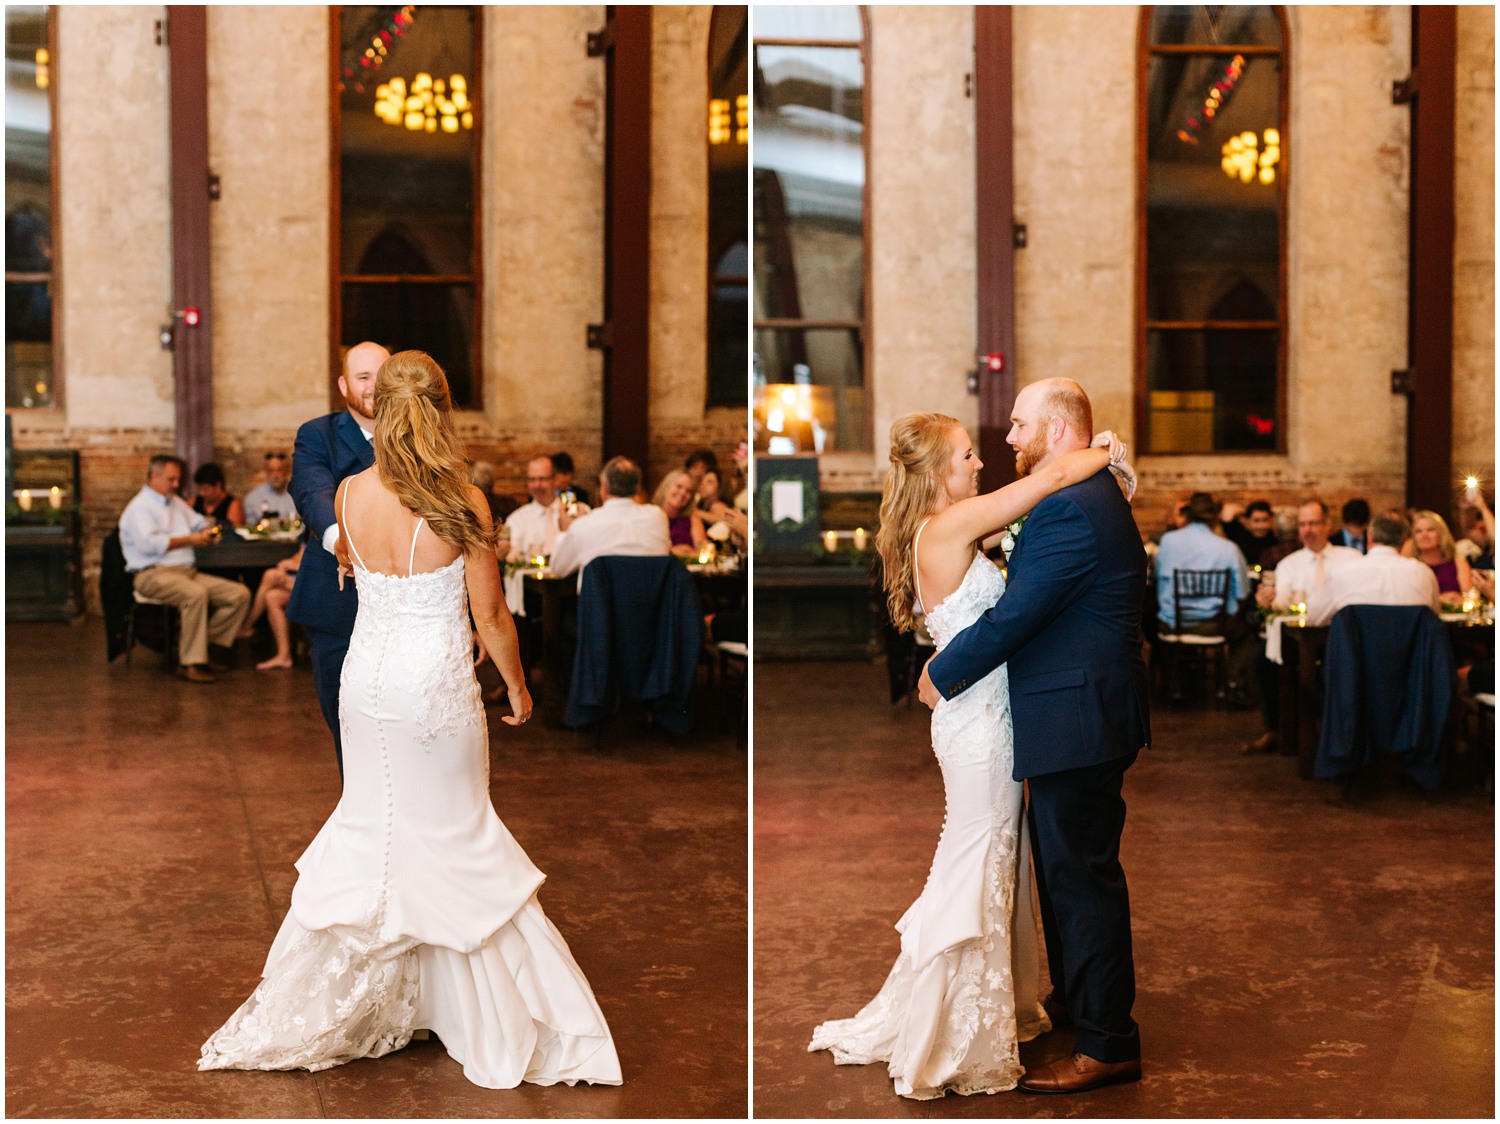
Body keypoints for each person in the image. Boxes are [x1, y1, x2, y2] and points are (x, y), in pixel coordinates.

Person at [199, 350, 620, 1088]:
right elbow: (489, 613)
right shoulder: (463, 499)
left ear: (383, 411)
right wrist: (519, 689)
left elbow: (363, 575)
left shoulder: (353, 493)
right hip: (433, 686)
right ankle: (477, 1010)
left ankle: (383, 997)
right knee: (456, 833)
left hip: (366, 683)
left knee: (374, 826)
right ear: (442, 407)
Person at [808, 407, 1130, 1100]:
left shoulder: (949, 526)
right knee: (980, 853)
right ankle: (951, 1021)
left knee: (994, 858)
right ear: (934, 473)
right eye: (965, 456)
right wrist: (1105, 449)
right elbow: (1059, 474)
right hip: (979, 726)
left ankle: (993, 1004)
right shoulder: (952, 524)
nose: (981, 461)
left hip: (990, 714)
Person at [913, 378, 1149, 1095]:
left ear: (1053, 432)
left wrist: (942, 671)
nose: (1006, 440)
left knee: (1082, 879)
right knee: (1063, 872)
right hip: (1075, 712)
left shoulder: (1070, 510)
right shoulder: (1075, 495)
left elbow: (1020, 614)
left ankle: (1109, 1043)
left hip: (1076, 717)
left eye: (1018, 426)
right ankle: (1083, 1001)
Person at [286, 340, 390, 779]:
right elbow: (313, 493)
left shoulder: (421, 437)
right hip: (339, 601)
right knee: (347, 719)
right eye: (363, 377)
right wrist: (340, 543)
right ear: (345, 384)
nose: (372, 387)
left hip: (408, 609)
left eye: (381, 376)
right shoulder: (319, 433)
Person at [119, 455, 251, 684]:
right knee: (195, 594)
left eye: (178, 479)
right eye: (171, 479)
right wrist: (191, 539)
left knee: (239, 595)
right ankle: (189, 663)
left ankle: (200, 648)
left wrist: (207, 531)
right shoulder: (140, 508)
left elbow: (199, 521)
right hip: (153, 573)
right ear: (154, 476)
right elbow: (151, 545)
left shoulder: (175, 502)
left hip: (186, 572)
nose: (176, 485)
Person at [1154, 492, 1255, 704]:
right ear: (1214, 518)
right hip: (1213, 625)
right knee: (1249, 631)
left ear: (1188, 515)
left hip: (1172, 624)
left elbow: (1156, 578)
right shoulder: (1228, 548)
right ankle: (1232, 682)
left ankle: (1174, 683)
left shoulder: (1167, 542)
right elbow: (1242, 592)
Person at [550, 456, 671, 587]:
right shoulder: (657, 517)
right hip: (652, 605)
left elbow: (559, 569)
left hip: (600, 606)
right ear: (637, 488)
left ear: (604, 488)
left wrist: (565, 529)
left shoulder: (583, 525)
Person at [1304, 511, 1441, 626]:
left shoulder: (1343, 572)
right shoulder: (1423, 573)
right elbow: (1434, 618)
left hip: (1355, 657)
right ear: (1405, 540)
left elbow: (1314, 618)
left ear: (1369, 536)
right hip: (1414, 657)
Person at [238, 545, 303, 670]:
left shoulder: (328, 529)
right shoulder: (312, 532)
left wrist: (292, 566)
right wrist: (285, 565)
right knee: (271, 597)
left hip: (320, 585)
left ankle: (248, 625)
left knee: (270, 575)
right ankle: (284, 656)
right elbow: (301, 554)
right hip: (303, 578)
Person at [1406, 509, 1472, 603]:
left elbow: (1470, 598)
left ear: (1441, 534)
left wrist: (1459, 599)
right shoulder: (1410, 565)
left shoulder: (1458, 562)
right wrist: (1440, 599)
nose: (1424, 535)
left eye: (1430, 530)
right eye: (1418, 531)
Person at [654, 469, 707, 557]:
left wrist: (691, 553)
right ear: (666, 487)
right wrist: (671, 551)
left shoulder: (692, 518)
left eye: (688, 491)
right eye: (679, 486)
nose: (683, 493)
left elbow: (703, 551)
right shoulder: (651, 515)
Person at [694, 467, 749, 546]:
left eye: (710, 482)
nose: (703, 484)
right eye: (702, 480)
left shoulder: (717, 505)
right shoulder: (702, 505)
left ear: (720, 487)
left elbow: (722, 518)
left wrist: (695, 512)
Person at [243, 452, 299, 526]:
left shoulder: (299, 495)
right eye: (271, 470)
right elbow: (249, 529)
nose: (275, 475)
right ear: (265, 471)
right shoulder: (252, 499)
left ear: (287, 470)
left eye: (279, 470)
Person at [191, 463, 245, 530]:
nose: (201, 493)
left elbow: (236, 529)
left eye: (206, 489)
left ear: (218, 486)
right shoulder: (193, 502)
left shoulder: (233, 505)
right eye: (199, 489)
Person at [1224, 500, 1277, 565]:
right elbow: (1227, 512)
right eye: (1256, 520)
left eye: (1265, 520)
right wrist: (1245, 511)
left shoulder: (1275, 537)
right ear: (1248, 520)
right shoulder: (1239, 535)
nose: (1261, 525)